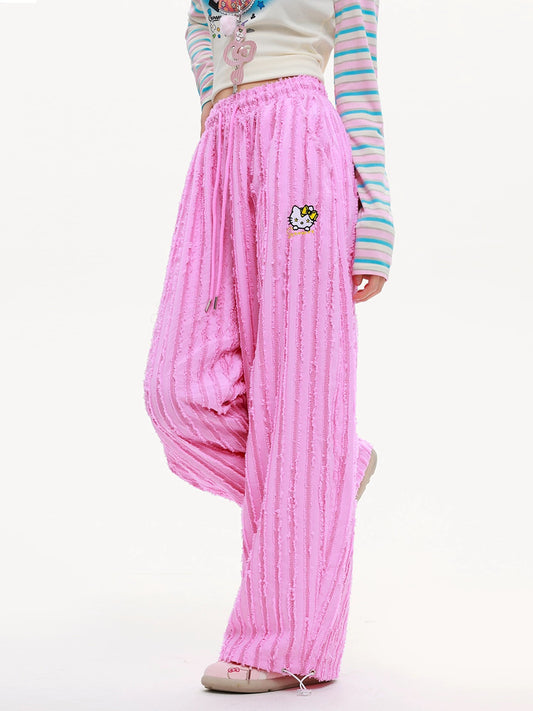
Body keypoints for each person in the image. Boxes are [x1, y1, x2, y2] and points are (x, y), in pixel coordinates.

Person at [143, 0, 394, 695]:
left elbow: (359, 83)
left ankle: (282, 643)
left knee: (298, 383)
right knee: (177, 389)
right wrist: (213, 98)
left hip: (300, 157)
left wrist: (375, 216)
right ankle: (331, 468)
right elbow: (199, 31)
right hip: (220, 152)